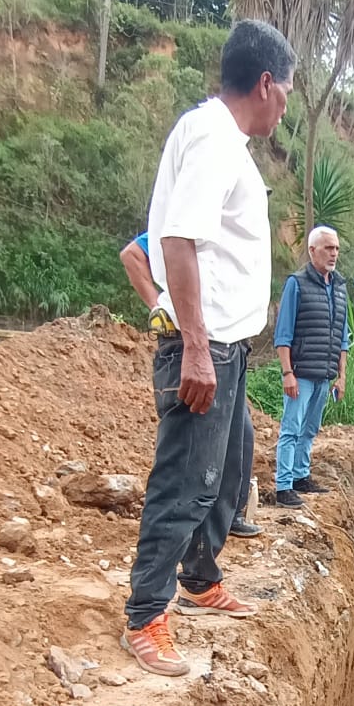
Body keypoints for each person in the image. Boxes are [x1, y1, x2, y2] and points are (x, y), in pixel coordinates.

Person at [121, 19, 295, 677]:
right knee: (186, 481)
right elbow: (176, 241)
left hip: (227, 348)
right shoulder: (214, 139)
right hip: (206, 346)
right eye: (286, 95)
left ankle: (199, 576)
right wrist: (195, 346)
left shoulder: (224, 143)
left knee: (230, 468)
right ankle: (146, 615)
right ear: (266, 83)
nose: (285, 108)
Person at [119, 231, 261, 540]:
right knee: (194, 456)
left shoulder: (232, 241)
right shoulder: (192, 225)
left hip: (227, 350)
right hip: (196, 351)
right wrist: (158, 304)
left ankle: (227, 520)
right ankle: (175, 554)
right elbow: (132, 254)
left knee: (241, 441)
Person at [273, 225, 349, 507]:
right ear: (312, 250)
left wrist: (341, 377)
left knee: (310, 428)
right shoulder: (297, 283)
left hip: (324, 374)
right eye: (328, 248)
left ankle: (300, 476)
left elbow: (343, 337)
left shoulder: (339, 288)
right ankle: (283, 486)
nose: (334, 253)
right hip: (301, 373)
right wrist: (287, 372)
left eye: (337, 248)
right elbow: (283, 333)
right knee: (291, 427)